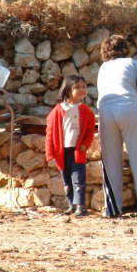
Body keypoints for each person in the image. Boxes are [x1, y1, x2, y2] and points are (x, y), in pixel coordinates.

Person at [96, 35, 137, 218]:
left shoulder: (103, 68)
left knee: (110, 160)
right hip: (129, 108)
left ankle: (112, 208)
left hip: (106, 111)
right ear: (125, 48)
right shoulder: (132, 64)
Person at [45, 75, 96, 216]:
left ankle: (81, 206)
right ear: (67, 90)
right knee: (67, 179)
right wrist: (50, 154)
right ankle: (71, 205)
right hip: (62, 151)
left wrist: (85, 144)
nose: (82, 90)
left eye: (84, 87)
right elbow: (50, 133)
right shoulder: (57, 111)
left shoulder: (86, 111)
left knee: (78, 179)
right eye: (77, 87)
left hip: (77, 151)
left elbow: (90, 131)